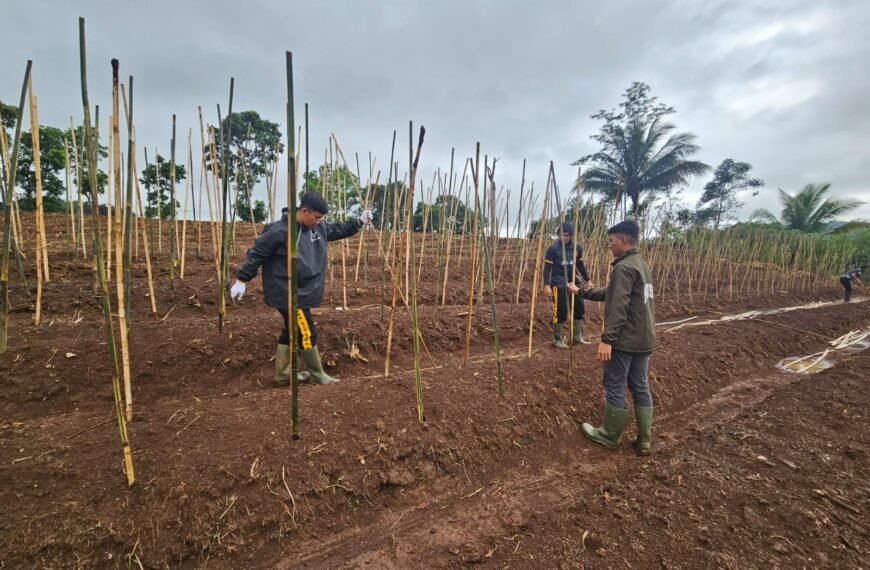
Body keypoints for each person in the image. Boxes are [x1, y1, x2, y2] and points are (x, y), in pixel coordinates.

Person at [230, 192, 371, 386]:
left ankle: (282, 374)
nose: (319, 221)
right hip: (285, 290)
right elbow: (257, 253)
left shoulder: (317, 227)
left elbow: (337, 229)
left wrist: (358, 222)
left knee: (292, 330)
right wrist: (242, 279)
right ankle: (316, 373)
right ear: (304, 211)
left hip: (303, 288)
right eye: (316, 217)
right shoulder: (279, 231)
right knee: (306, 331)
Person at [578, 220, 655, 455]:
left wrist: (607, 339)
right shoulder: (640, 264)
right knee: (640, 386)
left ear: (622, 240)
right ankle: (643, 440)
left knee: (614, 383)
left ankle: (609, 435)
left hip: (624, 339)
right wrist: (582, 291)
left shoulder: (623, 267)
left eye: (611, 241)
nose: (608, 245)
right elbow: (616, 294)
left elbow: (619, 306)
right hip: (643, 338)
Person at [542, 221, 593, 348]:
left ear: (571, 235)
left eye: (566, 235)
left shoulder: (577, 248)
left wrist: (588, 279)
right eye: (561, 235)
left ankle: (576, 337)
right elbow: (547, 268)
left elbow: (580, 264)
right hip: (558, 283)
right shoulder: (553, 249)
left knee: (579, 308)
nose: (563, 238)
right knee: (559, 311)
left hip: (574, 283)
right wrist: (546, 285)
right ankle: (557, 339)